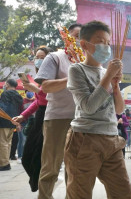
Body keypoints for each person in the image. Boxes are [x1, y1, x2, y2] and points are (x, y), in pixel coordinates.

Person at [65, 20, 131, 198]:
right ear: (84, 44)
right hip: (84, 138)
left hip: (111, 138)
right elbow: (88, 107)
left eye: (108, 43)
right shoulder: (76, 70)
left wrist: (116, 86)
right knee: (79, 193)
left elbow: (119, 109)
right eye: (100, 41)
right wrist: (109, 76)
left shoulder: (107, 72)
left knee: (123, 192)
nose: (106, 46)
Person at [34, 23, 82, 198]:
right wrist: (71, 77)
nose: (78, 40)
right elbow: (45, 86)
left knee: (75, 168)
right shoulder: (55, 57)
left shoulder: (86, 61)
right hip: (58, 118)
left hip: (81, 120)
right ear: (66, 36)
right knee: (51, 166)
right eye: (76, 35)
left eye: (82, 37)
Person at [12, 46, 51, 191]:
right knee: (27, 156)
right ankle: (38, 184)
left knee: (38, 156)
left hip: (51, 116)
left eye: (43, 58)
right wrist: (23, 115)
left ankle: (43, 187)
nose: (39, 60)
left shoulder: (53, 75)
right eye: (37, 57)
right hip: (39, 116)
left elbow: (51, 98)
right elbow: (37, 101)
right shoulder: (38, 76)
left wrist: (36, 89)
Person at [0, 79, 23, 171]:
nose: (4, 85)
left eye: (5, 84)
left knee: (2, 143)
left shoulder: (5, 94)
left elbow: (3, 108)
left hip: (4, 120)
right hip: (14, 121)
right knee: (8, 142)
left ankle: (4, 164)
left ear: (8, 84)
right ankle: (6, 161)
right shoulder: (18, 95)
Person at [16, 91, 35, 164]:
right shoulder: (22, 101)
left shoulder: (35, 101)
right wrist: (18, 124)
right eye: (27, 91)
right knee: (22, 140)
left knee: (31, 140)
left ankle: (29, 156)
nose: (30, 92)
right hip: (23, 123)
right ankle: (20, 156)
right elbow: (18, 113)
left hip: (32, 123)